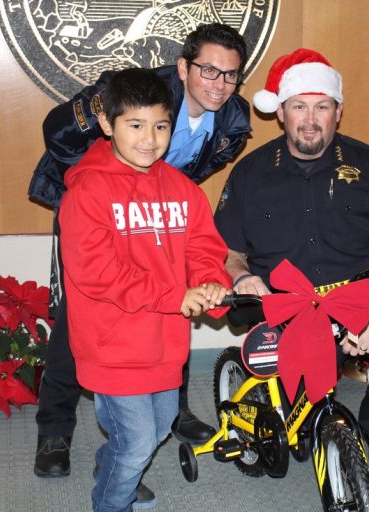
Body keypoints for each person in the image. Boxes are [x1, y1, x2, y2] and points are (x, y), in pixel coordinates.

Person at [29, 23, 250, 478]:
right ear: (183, 67)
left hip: (163, 214)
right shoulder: (135, 91)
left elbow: (192, 184)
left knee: (175, 306)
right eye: (208, 70)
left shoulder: (234, 121)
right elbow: (58, 131)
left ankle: (172, 408)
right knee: (82, 316)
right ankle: (55, 429)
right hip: (103, 211)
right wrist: (99, 121)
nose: (219, 84)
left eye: (230, 75)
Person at [214, 48, 369, 471]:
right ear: (280, 112)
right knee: (297, 421)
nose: (310, 119)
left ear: (338, 112)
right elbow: (230, 255)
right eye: (299, 106)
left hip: (363, 293)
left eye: (322, 106)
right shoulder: (249, 174)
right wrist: (243, 276)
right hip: (290, 305)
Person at [59, 67, 231, 511]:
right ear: (106, 124)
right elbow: (95, 270)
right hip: (112, 344)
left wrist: (211, 282)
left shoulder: (181, 189)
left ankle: (112, 463)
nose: (149, 139)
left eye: (160, 126)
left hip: (165, 344)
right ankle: (111, 502)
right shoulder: (88, 191)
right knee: (136, 442)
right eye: (135, 125)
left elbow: (203, 248)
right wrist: (174, 296)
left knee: (157, 429)